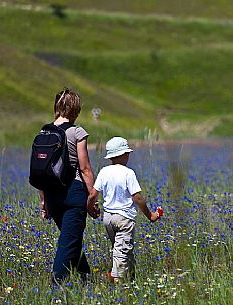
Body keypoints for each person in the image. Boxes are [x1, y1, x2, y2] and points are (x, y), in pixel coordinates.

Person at [38, 88, 99, 283]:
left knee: (70, 239)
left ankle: (84, 278)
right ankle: (57, 286)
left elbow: (41, 171)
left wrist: (43, 202)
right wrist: (92, 198)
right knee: (69, 243)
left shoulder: (44, 132)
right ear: (75, 109)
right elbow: (85, 168)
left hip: (52, 195)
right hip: (74, 193)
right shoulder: (76, 132)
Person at [88, 136, 159, 282]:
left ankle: (130, 277)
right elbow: (137, 198)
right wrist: (150, 215)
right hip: (124, 219)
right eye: (127, 153)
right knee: (122, 251)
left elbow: (93, 194)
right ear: (123, 155)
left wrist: (89, 207)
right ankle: (117, 281)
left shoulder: (104, 171)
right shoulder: (128, 173)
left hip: (108, 218)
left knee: (121, 249)